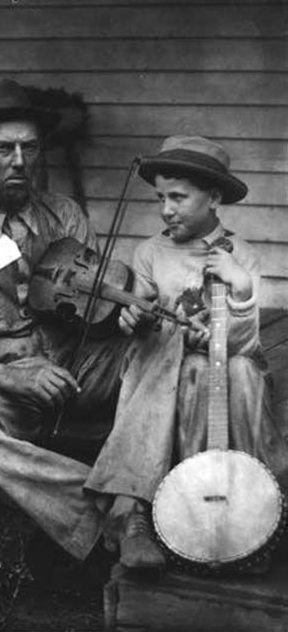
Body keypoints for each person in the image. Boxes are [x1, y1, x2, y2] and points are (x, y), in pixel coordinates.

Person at [0, 79, 132, 563]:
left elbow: (90, 315)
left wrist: (122, 308)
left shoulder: (64, 214)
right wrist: (0, 375)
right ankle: (107, 513)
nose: (20, 161)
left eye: (31, 147)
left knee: (162, 354)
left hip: (74, 363)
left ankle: (152, 497)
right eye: (4, 149)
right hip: (0, 380)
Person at [85, 135, 288, 570]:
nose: (165, 209)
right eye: (161, 197)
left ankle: (255, 516)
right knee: (181, 359)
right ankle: (160, 515)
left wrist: (242, 288)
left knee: (242, 375)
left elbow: (246, 345)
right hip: (161, 370)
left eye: (178, 197)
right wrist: (131, 319)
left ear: (214, 197)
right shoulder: (149, 252)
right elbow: (140, 311)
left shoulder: (242, 256)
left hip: (226, 366)